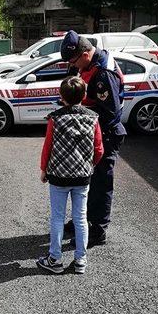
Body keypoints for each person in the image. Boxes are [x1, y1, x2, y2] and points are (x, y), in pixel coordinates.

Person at [60, 30, 126, 247]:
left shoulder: (103, 74)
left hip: (105, 135)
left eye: (74, 61)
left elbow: (110, 113)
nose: (74, 67)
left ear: (85, 54)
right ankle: (84, 220)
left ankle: (97, 231)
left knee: (101, 184)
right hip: (93, 133)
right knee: (88, 182)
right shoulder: (88, 65)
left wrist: (80, 115)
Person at [36, 77, 104, 275]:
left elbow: (47, 147)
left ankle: (55, 259)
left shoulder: (55, 119)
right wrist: (89, 165)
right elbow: (99, 148)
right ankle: (80, 260)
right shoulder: (93, 118)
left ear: (61, 97)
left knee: (57, 217)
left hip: (58, 176)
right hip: (82, 176)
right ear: (84, 95)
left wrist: (44, 169)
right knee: (80, 218)